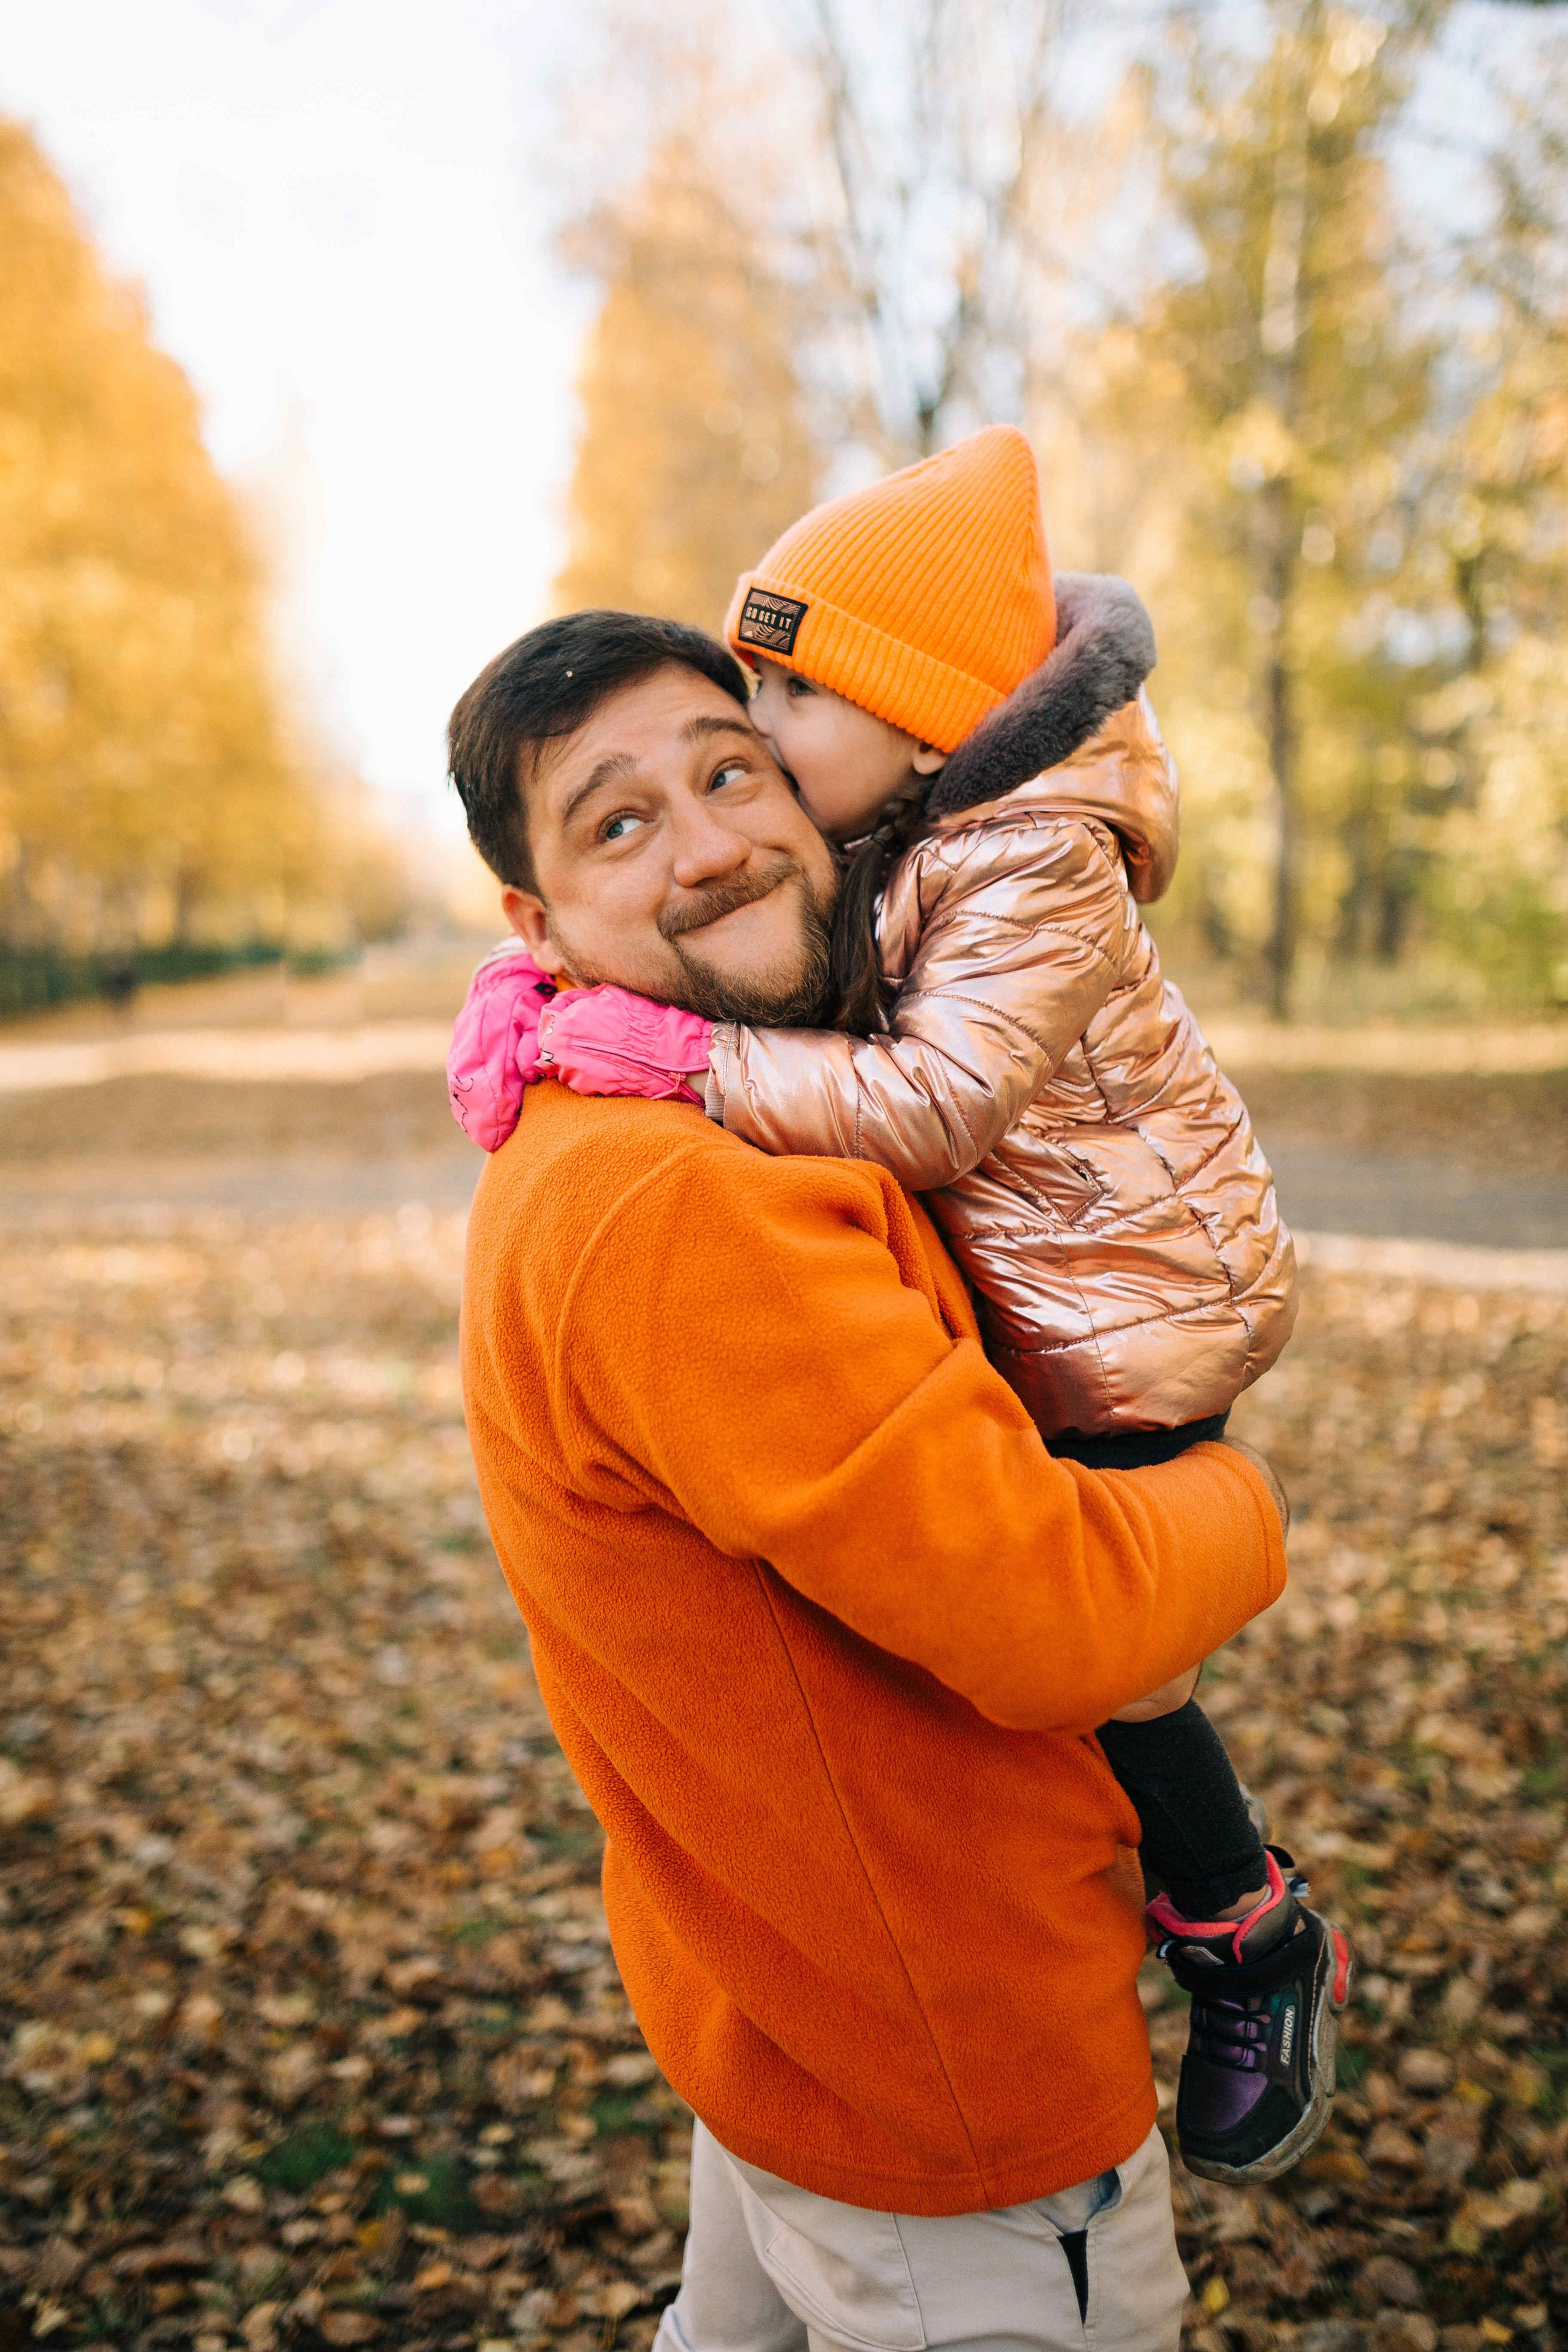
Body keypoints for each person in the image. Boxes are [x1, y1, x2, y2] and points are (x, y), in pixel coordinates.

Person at [447, 431, 1351, 2190]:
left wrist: (635, 1023)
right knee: (1134, 1678)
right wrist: (1246, 1514)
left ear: (911, 734)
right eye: (619, 824)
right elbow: (1055, 1616)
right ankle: (1243, 1920)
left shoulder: (991, 871)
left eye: (745, 752)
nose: (726, 827)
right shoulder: (670, 1193)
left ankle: (1237, 1918)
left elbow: (915, 1088)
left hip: (817, 2017)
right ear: (538, 917)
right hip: (935, 2068)